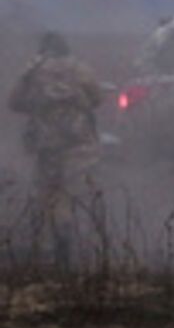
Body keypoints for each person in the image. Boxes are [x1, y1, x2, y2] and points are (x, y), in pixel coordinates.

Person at [7, 32, 104, 267]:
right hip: (78, 145)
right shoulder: (81, 69)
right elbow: (97, 99)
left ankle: (48, 250)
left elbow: (14, 102)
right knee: (70, 196)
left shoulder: (33, 71)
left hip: (46, 146)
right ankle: (67, 248)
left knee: (47, 197)